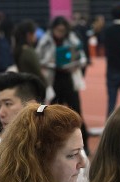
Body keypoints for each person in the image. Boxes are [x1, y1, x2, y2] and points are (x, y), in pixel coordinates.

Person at [0, 71, 89, 182]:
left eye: (8, 104)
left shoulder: (64, 143)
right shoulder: (4, 149)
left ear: (31, 105)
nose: (1, 112)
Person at [36, 16, 89, 154]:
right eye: (58, 30)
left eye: (63, 30)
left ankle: (85, 145)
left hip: (69, 79)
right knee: (50, 113)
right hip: (52, 80)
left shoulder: (72, 38)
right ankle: (50, 144)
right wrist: (54, 64)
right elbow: (38, 58)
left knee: (77, 112)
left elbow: (82, 57)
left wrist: (74, 63)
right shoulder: (45, 40)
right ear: (53, 29)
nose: (60, 33)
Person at [13, 19, 45, 84]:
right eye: (35, 33)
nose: (36, 36)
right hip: (34, 86)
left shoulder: (19, 49)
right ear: (29, 35)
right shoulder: (29, 52)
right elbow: (38, 71)